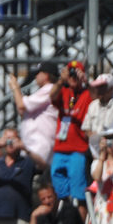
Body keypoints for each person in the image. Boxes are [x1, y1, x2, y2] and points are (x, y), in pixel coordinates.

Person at [49, 61, 95, 202]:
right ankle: (66, 208)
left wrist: (86, 82)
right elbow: (52, 96)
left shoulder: (87, 94)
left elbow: (96, 97)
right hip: (60, 148)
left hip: (78, 149)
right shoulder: (64, 91)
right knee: (56, 179)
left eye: (76, 73)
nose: (73, 76)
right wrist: (61, 80)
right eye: (71, 73)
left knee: (78, 192)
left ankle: (80, 218)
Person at [8, 61, 59, 167]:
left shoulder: (49, 89)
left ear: (46, 75)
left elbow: (21, 105)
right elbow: (22, 110)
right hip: (32, 146)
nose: (36, 76)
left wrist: (15, 87)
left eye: (38, 73)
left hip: (40, 146)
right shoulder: (43, 91)